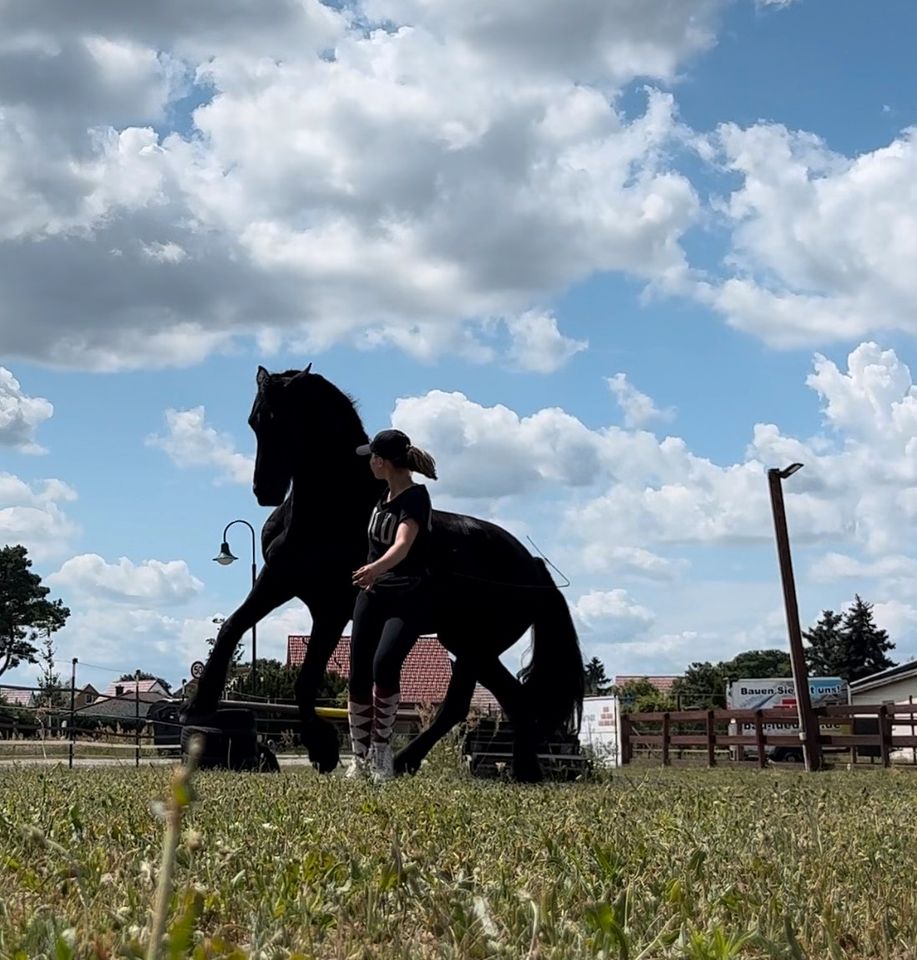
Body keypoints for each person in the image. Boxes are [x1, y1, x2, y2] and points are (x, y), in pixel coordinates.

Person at [347, 428, 438, 783]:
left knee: (385, 664)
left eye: (372, 457)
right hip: (372, 594)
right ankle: (359, 758)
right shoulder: (382, 497)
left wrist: (374, 568)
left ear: (382, 462)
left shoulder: (415, 499)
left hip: (406, 595)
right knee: (357, 674)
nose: (369, 462)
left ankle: (382, 753)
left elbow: (402, 544)